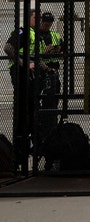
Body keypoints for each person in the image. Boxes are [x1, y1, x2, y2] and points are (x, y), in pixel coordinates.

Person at [5, 10, 37, 156]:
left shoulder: (33, 34)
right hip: (20, 72)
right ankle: (19, 150)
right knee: (22, 108)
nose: (39, 20)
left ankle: (26, 146)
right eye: (36, 17)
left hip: (29, 74)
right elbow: (8, 48)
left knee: (31, 108)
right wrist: (22, 63)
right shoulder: (23, 32)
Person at [35, 11, 63, 141]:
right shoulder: (35, 34)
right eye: (45, 24)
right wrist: (44, 51)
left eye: (49, 24)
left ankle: (52, 128)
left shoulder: (55, 35)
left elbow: (64, 51)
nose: (47, 27)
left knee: (53, 102)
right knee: (40, 101)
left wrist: (58, 50)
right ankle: (42, 130)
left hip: (53, 72)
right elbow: (33, 54)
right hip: (41, 72)